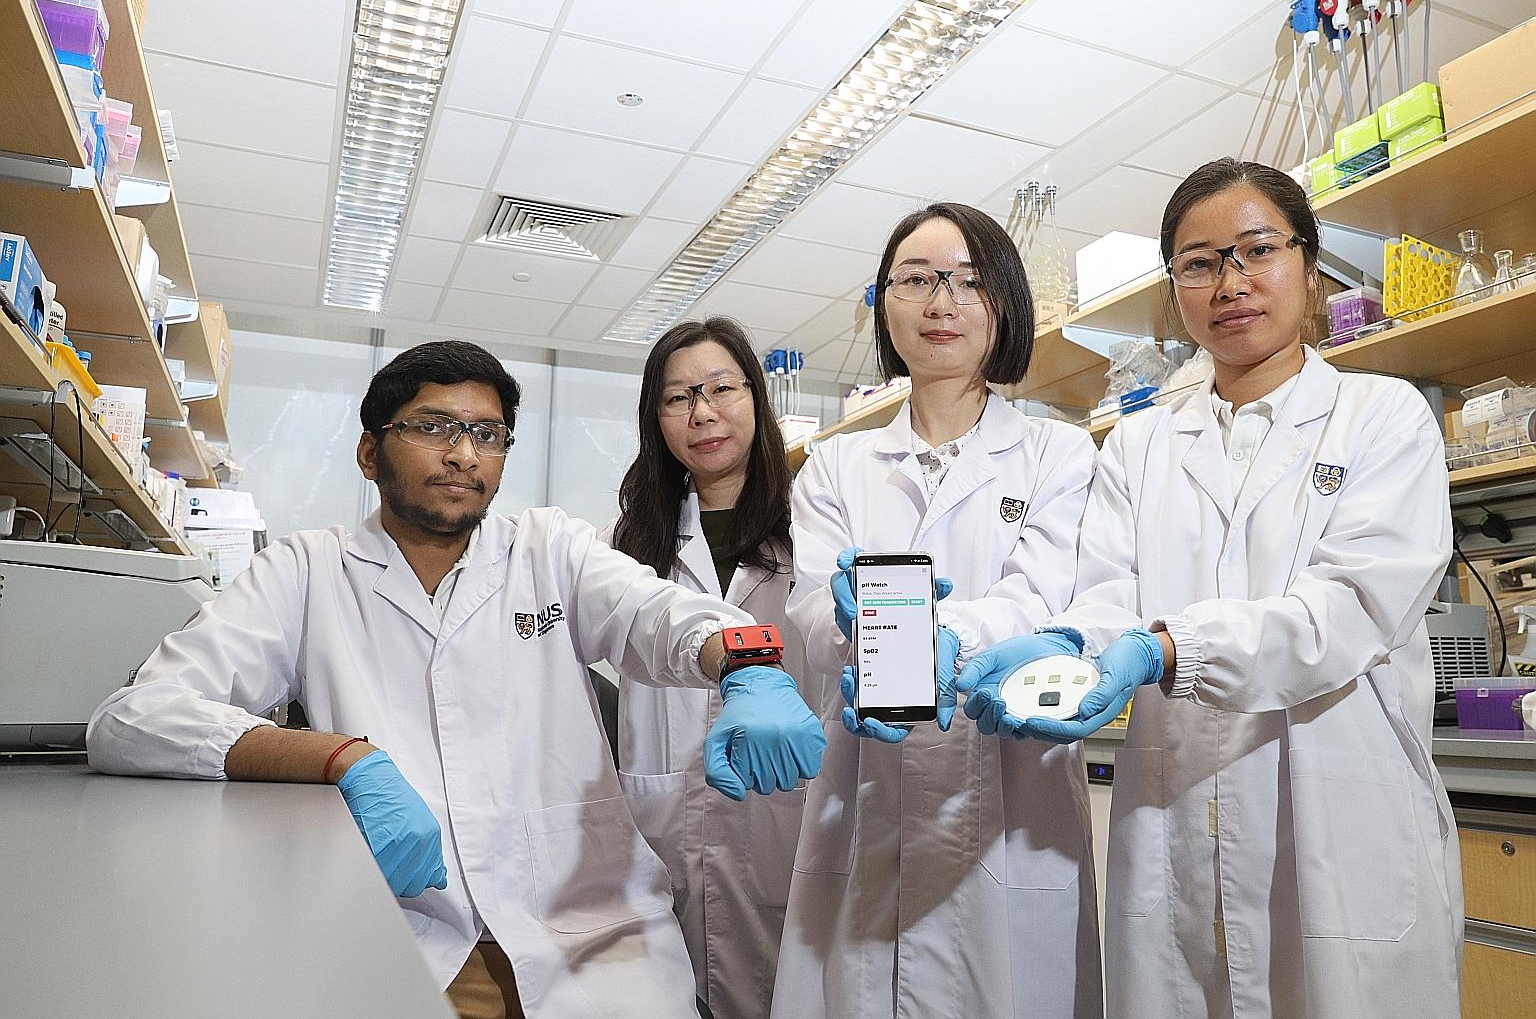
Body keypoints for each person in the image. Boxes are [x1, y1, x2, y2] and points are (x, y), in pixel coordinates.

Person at [87, 340, 826, 1019]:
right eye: (433, 427)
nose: (463, 454)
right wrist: (341, 760)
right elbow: (133, 720)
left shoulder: (547, 549)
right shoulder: (308, 569)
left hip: (596, 941)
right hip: (413, 937)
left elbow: (660, 616)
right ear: (370, 453)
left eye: (487, 434)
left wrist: (748, 665)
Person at [960, 159, 1463, 1019]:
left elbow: (1344, 613)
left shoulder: (1384, 418)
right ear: (1176, 291)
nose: (1230, 282)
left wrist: (1165, 649)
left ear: (1309, 269)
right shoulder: (1137, 446)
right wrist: (1064, 648)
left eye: (1256, 250)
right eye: (1199, 263)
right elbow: (1106, 594)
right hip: (1177, 819)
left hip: (1341, 818)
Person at [778, 203, 1102, 1018]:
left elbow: (1040, 595)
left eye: (966, 281)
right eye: (915, 280)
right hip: (866, 784)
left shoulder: (1057, 452)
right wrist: (848, 620)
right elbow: (811, 608)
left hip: (1009, 791)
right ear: (883, 304)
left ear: (1004, 303)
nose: (939, 303)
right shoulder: (835, 465)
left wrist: (929, 640)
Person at [605, 316, 806, 1019]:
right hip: (667, 821)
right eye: (678, 398)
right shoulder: (628, 543)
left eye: (722, 388)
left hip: (783, 813)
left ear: (757, 397)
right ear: (656, 419)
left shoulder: (813, 527)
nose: (703, 413)